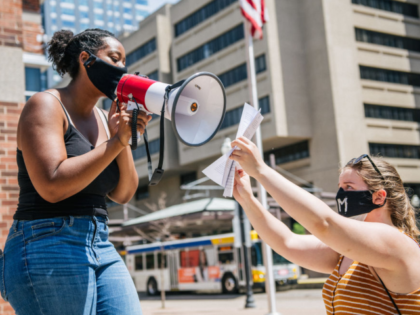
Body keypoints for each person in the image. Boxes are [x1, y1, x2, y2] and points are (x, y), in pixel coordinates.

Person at [0, 29, 150, 315]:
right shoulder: (45, 105)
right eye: (115, 59)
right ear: (86, 59)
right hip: (47, 241)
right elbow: (52, 185)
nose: (122, 69)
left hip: (99, 241)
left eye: (124, 62)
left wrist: (123, 138)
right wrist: (115, 142)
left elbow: (124, 192)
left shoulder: (106, 119)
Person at [230, 136, 420, 314]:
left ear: (379, 197)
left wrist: (260, 170)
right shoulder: (347, 252)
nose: (340, 195)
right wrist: (246, 198)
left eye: (349, 187)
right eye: (340, 187)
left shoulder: (397, 242)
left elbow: (323, 223)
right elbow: (287, 242)